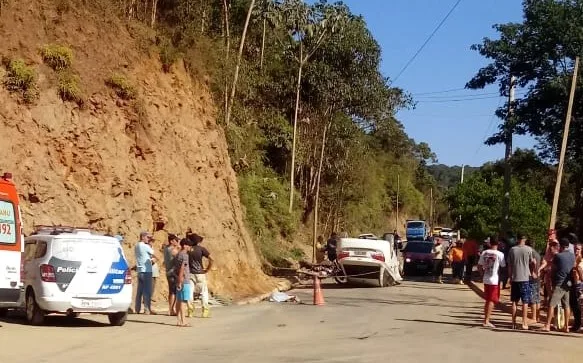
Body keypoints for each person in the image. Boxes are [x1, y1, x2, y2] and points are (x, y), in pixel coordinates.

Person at [543, 238, 576, 332]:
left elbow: (553, 268)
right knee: (566, 305)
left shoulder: (558, 256)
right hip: (568, 283)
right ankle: (566, 327)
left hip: (559, 283)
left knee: (551, 304)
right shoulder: (572, 256)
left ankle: (547, 325)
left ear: (560, 246)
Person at [507, 234, 534, 330]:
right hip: (525, 278)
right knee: (525, 301)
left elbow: (509, 266)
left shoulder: (512, 250)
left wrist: (510, 277)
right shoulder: (529, 250)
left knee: (514, 301)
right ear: (525, 239)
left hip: (515, 278)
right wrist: (532, 271)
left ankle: (513, 323)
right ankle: (524, 322)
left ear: (517, 239)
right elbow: (532, 262)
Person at [478, 236, 506, 328]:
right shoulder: (500, 254)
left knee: (487, 300)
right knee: (492, 300)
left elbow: (479, 266)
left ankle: (486, 318)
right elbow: (503, 265)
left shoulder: (485, 252)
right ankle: (486, 320)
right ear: (498, 244)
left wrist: (482, 274)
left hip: (486, 278)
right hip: (494, 279)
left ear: (490, 243)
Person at [189, 233, 214, 318]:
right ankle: (205, 311)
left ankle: (190, 311)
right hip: (200, 273)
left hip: (190, 273)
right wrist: (207, 269)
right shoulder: (201, 249)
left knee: (190, 292)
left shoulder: (188, 249)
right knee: (203, 292)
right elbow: (211, 259)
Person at [134, 231, 158, 315]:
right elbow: (154, 254)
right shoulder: (144, 246)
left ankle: (137, 308)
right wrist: (153, 259)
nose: (149, 239)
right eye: (147, 237)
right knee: (147, 291)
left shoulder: (137, 245)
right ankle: (147, 309)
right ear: (143, 237)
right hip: (147, 270)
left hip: (140, 270)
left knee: (139, 291)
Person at [174, 237, 193, 327]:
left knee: (178, 300)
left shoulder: (178, 254)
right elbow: (182, 268)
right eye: (188, 245)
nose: (190, 247)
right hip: (184, 280)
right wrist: (181, 280)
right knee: (183, 301)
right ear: (185, 245)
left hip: (178, 278)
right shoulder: (185, 255)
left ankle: (178, 320)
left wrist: (178, 279)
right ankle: (183, 321)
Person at [525, 239, 542, 324]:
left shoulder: (531, 253)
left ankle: (534, 317)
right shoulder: (537, 253)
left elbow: (533, 263)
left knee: (533, 298)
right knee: (537, 298)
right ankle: (537, 317)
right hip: (538, 277)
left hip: (532, 277)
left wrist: (532, 272)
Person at [164, 233, 180, 316]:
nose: (176, 241)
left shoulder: (166, 248)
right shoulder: (172, 250)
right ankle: (172, 310)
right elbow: (180, 255)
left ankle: (170, 309)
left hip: (168, 272)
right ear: (171, 241)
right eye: (175, 240)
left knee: (171, 291)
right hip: (173, 272)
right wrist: (179, 246)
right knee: (174, 292)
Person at [570, 242, 583, 332]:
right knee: (574, 305)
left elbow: (582, 275)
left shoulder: (581, 260)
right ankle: (577, 324)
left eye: (578, 249)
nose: (576, 250)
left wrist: (578, 270)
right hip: (572, 284)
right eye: (575, 249)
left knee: (580, 306)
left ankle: (580, 325)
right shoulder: (572, 259)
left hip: (580, 285)